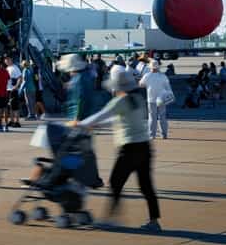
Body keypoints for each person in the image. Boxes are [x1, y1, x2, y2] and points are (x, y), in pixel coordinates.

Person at [73, 68, 161, 232]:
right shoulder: (137, 99)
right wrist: (95, 125)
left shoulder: (120, 101)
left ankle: (111, 219)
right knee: (146, 186)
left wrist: (81, 124)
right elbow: (119, 120)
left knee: (115, 183)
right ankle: (154, 221)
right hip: (144, 146)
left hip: (129, 148)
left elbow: (103, 115)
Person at [140, 60, 172, 140]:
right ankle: (164, 134)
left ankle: (152, 135)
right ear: (158, 67)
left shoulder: (147, 75)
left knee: (152, 117)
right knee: (162, 117)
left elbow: (141, 84)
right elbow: (168, 87)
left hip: (151, 99)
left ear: (150, 67)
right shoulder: (163, 76)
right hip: (162, 98)